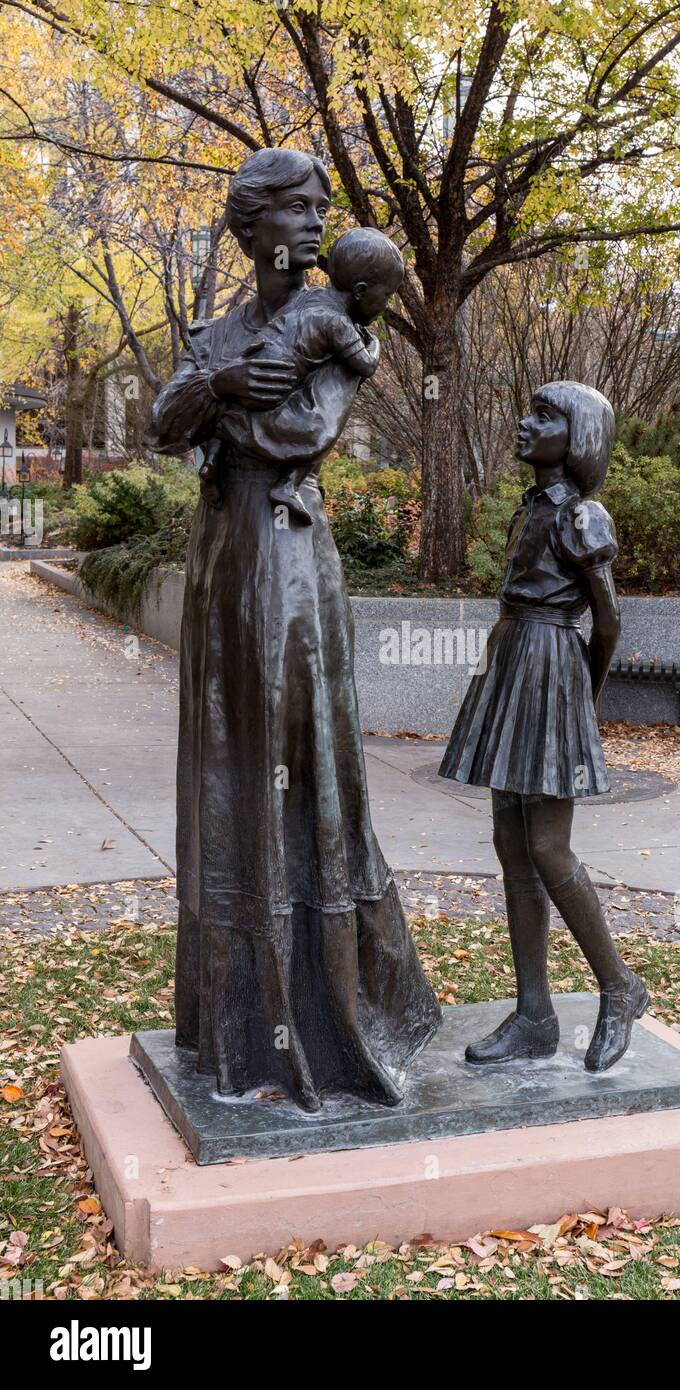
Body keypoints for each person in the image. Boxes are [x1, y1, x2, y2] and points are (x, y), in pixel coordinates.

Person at [145, 148, 440, 1110]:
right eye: (297, 209)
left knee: (297, 756)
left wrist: (220, 410)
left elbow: (301, 436)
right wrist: (224, 391)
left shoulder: (342, 318)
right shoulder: (220, 328)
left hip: (289, 556)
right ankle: (234, 1028)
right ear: (253, 220)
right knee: (231, 760)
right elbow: (164, 419)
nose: (315, 224)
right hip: (223, 557)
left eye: (322, 209)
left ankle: (323, 1014)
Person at [439, 381, 649, 1072]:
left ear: (579, 434)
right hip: (510, 662)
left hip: (553, 664)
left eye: (544, 416)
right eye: (529, 410)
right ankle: (534, 1014)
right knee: (510, 840)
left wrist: (580, 700)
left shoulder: (585, 516)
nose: (525, 424)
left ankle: (619, 987)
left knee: (549, 846)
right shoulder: (531, 506)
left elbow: (608, 619)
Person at [198, 228, 404, 521]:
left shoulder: (313, 300)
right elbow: (365, 366)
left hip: (254, 359)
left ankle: (213, 460)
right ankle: (287, 484)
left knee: (231, 414)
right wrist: (374, 343)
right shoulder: (338, 324)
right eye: (386, 295)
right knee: (320, 428)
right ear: (359, 291)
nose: (386, 305)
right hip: (277, 384)